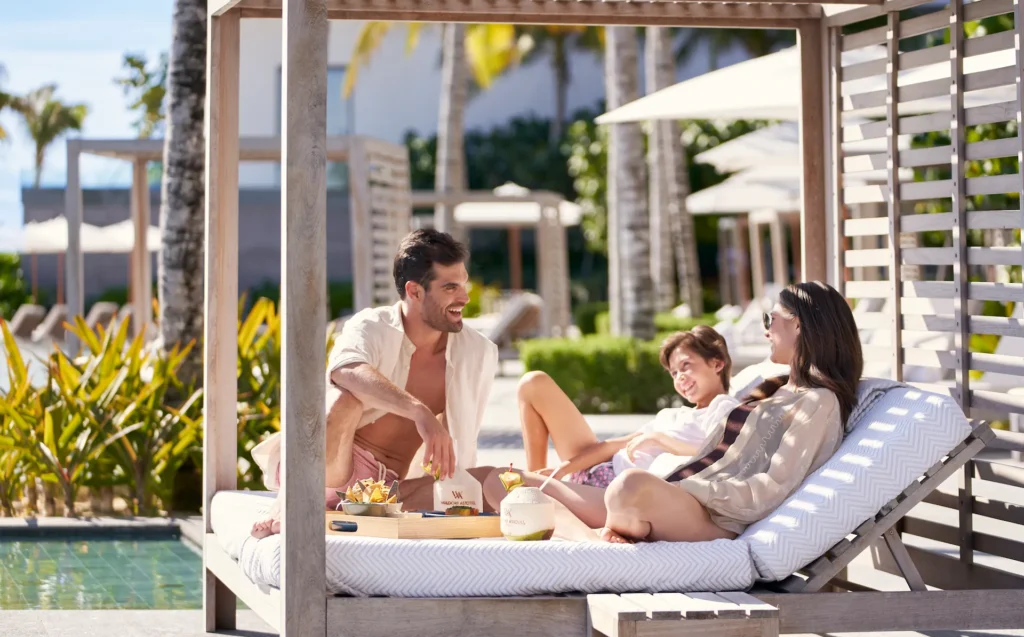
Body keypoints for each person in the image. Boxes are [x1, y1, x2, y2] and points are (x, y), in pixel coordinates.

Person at [483, 281, 862, 544]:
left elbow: (772, 487)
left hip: (712, 515)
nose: (766, 330)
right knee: (502, 481)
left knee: (629, 487)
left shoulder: (819, 402)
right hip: (675, 496)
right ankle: (593, 540)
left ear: (798, 325)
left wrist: (686, 487)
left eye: (770, 319)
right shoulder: (775, 388)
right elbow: (712, 455)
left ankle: (613, 527)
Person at [251, 228, 499, 538]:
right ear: (415, 291)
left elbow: (462, 441)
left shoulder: (477, 352)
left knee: (489, 481)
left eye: (463, 284)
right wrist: (419, 411)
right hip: (330, 467)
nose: (464, 297)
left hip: (390, 490)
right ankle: (293, 499)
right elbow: (346, 369)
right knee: (345, 398)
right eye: (450, 287)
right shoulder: (371, 325)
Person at [517, 326, 739, 489]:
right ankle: (533, 487)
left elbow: (719, 456)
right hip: (598, 467)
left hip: (614, 490)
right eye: (674, 372)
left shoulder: (725, 408)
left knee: (506, 484)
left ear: (717, 363)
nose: (679, 377)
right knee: (532, 383)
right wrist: (563, 469)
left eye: (686, 365)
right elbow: (616, 445)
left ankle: (533, 494)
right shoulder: (674, 415)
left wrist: (659, 439)